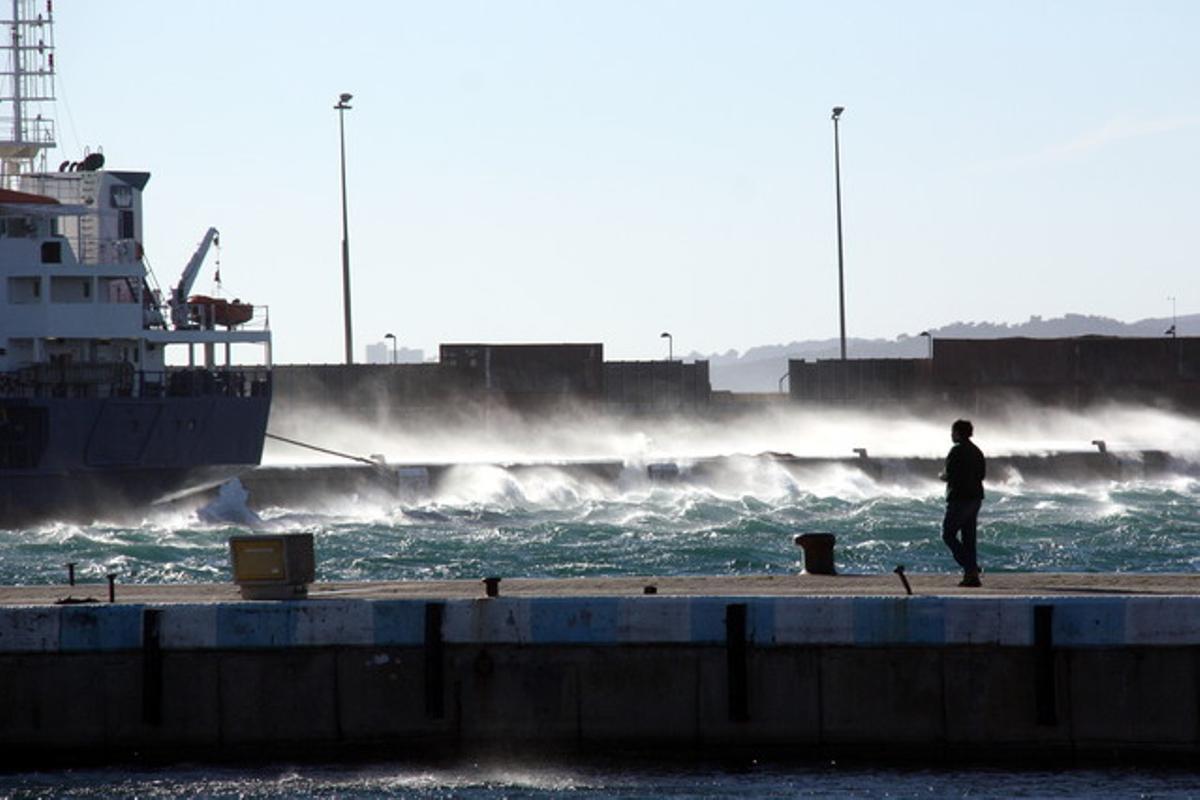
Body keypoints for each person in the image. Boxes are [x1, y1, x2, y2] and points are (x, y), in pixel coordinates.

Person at [940, 419, 986, 587]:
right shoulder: (976, 451)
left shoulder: (956, 451)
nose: (951, 435)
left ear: (958, 433)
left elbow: (949, 474)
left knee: (948, 534)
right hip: (975, 498)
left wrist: (942, 476)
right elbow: (982, 475)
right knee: (969, 538)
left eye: (953, 432)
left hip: (960, 498)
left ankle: (970, 568)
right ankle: (971, 577)